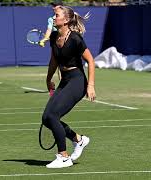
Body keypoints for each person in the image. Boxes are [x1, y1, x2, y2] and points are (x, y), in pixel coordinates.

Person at [42, 5, 95, 168]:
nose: (53, 18)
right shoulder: (54, 38)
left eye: (56, 15)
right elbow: (54, 61)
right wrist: (48, 78)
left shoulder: (75, 38)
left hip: (77, 81)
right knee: (46, 118)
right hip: (64, 80)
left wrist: (91, 85)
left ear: (65, 20)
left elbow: (91, 61)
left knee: (53, 116)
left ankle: (63, 157)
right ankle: (78, 140)